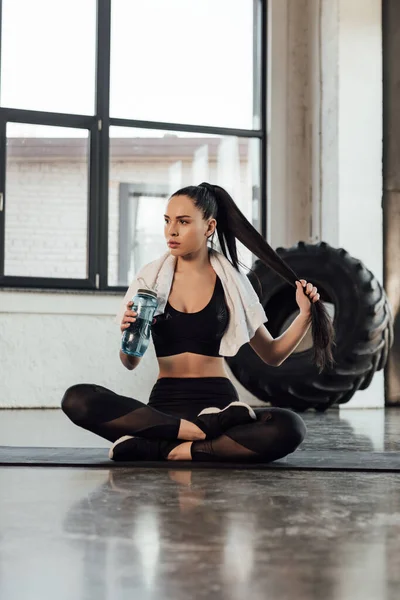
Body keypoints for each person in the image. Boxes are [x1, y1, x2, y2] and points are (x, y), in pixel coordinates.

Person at [61, 183, 333, 463]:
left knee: (289, 426)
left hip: (220, 411)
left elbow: (272, 354)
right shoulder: (149, 281)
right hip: (164, 409)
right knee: (77, 399)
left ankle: (167, 448)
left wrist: (304, 316)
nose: (172, 231)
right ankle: (187, 436)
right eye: (167, 221)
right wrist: (128, 335)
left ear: (209, 226)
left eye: (183, 222)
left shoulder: (233, 283)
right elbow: (130, 363)